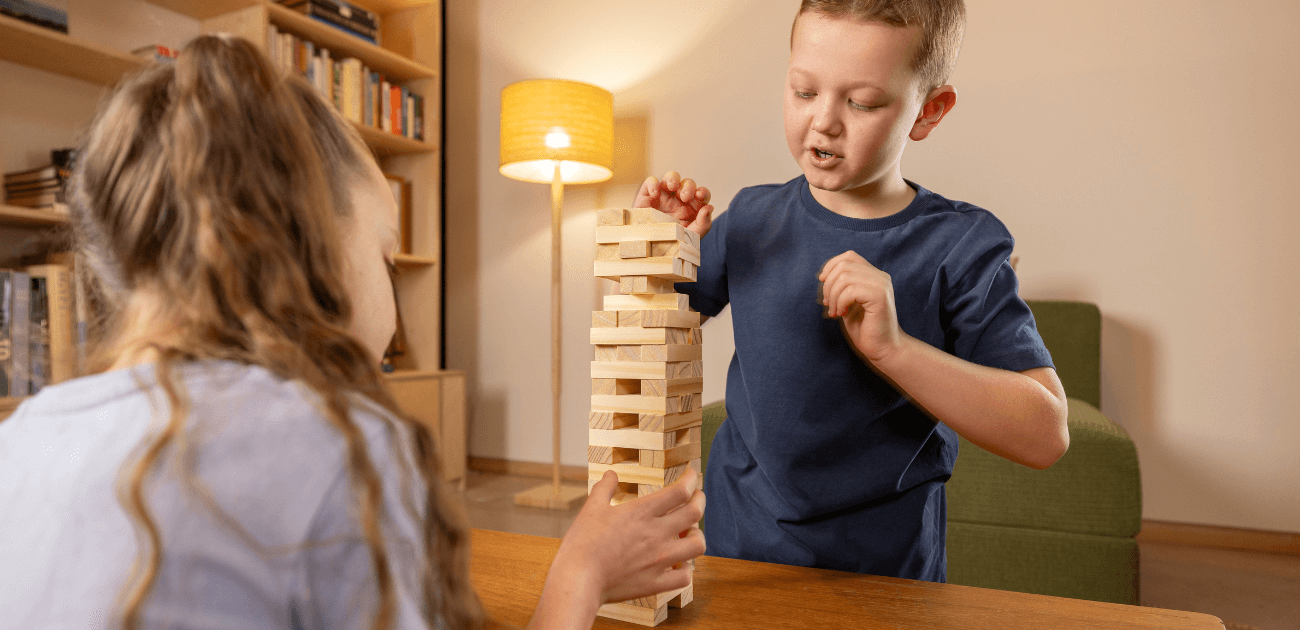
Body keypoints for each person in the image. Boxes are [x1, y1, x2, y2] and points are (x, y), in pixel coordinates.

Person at [0, 35, 704, 630]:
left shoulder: (22, 436)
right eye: (387, 255)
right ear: (309, 248)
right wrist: (582, 569)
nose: (391, 290)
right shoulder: (343, 453)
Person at [633, 0, 1069, 582]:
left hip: (884, 573)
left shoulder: (963, 245)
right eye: (804, 91)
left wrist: (896, 349)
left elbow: (1045, 435)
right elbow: (644, 333)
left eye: (861, 102)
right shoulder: (750, 218)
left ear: (929, 111)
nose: (825, 122)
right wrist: (651, 251)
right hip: (736, 551)